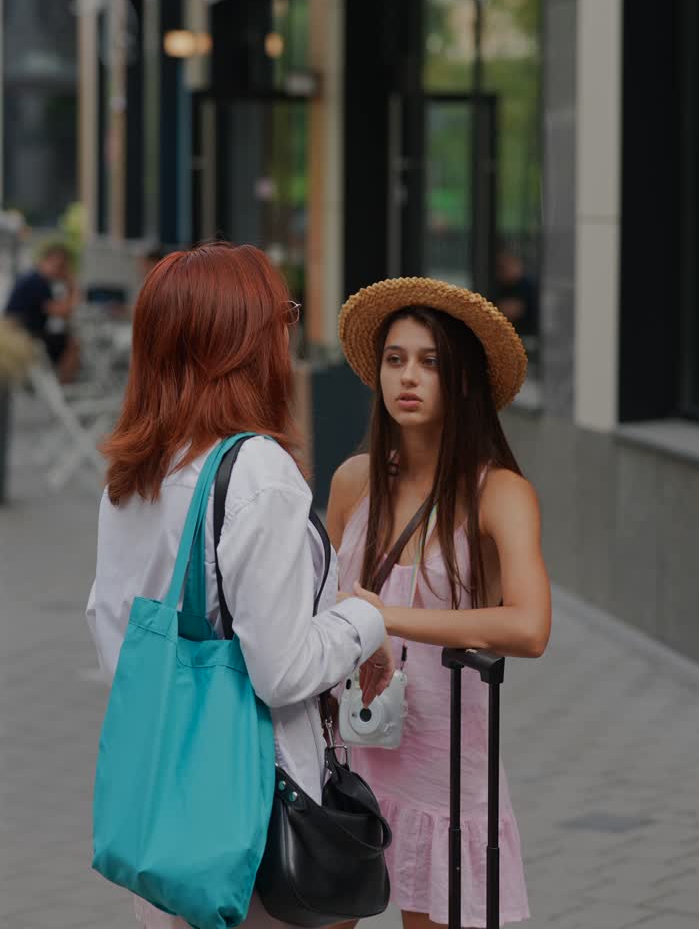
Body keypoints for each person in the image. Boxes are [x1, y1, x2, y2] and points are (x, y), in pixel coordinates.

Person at [86, 242, 394, 929]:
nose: (288, 334)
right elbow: (282, 671)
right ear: (245, 341)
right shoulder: (256, 472)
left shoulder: (133, 473)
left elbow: (115, 639)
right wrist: (364, 619)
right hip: (251, 811)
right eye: (282, 316)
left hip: (163, 803)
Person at [328, 277, 552, 929]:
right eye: (395, 359)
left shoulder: (499, 492)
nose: (409, 377)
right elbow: (319, 606)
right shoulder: (352, 481)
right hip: (348, 744)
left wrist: (381, 616)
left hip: (442, 764)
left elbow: (530, 626)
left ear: (462, 380)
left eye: (430, 362)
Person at [5, 242, 80, 382]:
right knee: (72, 343)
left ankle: (61, 384)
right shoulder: (35, 281)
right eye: (60, 266)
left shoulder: (35, 279)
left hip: (23, 333)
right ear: (48, 260)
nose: (61, 271)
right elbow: (64, 312)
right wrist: (72, 285)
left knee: (65, 337)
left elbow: (62, 313)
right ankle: (63, 386)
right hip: (24, 336)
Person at [495, 248, 538, 341]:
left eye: (506, 267)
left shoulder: (529, 285)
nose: (502, 272)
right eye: (500, 268)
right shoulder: (499, 286)